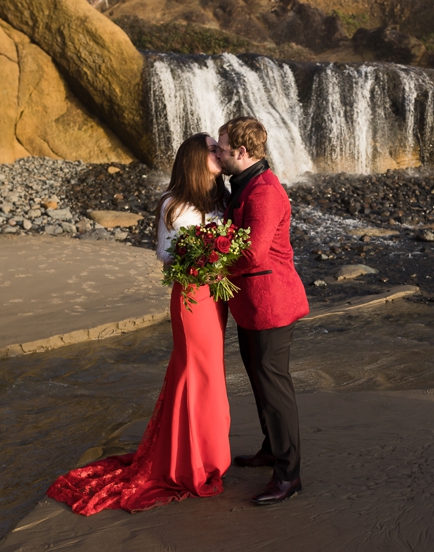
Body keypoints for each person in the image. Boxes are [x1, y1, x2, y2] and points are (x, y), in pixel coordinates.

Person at [46, 133, 233, 514]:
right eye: (213, 150)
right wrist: (198, 249)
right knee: (194, 376)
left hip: (216, 296)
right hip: (191, 296)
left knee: (211, 375)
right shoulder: (174, 203)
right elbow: (165, 253)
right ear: (195, 160)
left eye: (220, 148)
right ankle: (190, 463)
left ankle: (209, 456)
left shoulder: (220, 199)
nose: (220, 154)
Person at [215, 116, 310, 505]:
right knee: (259, 381)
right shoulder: (244, 183)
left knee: (274, 388)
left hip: (271, 304)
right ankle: (272, 449)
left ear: (241, 152)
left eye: (221, 149)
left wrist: (212, 264)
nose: (217, 155)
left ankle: (289, 476)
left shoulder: (265, 192)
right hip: (252, 304)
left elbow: (253, 253)